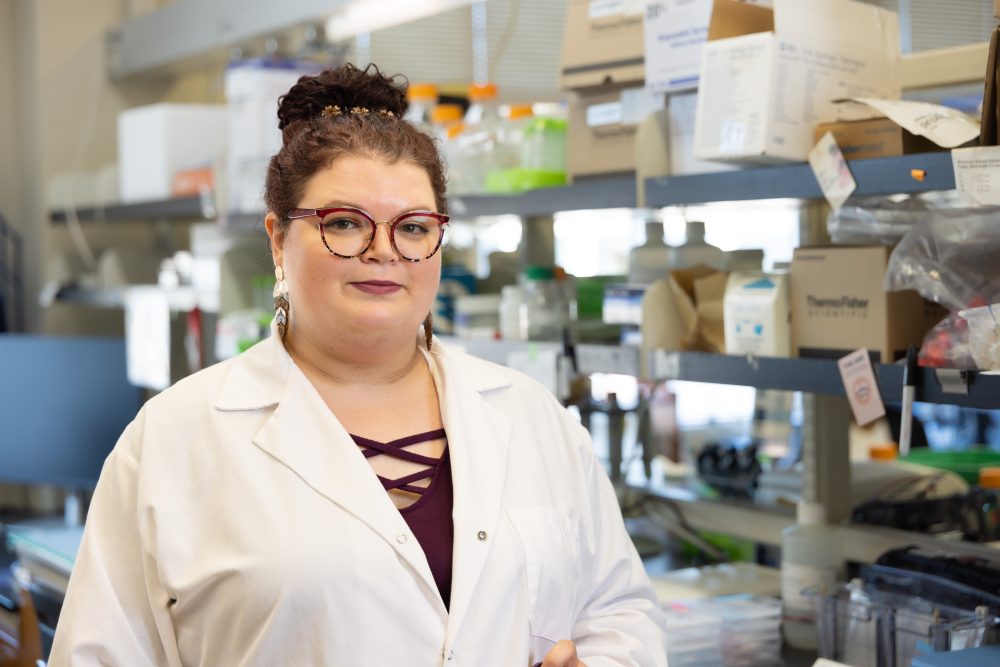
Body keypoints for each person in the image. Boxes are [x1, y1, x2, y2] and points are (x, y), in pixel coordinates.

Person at [49, 64, 668, 667]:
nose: (383, 251)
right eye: (344, 223)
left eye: (414, 227)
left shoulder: (531, 416)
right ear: (276, 239)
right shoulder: (173, 439)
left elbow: (618, 609)